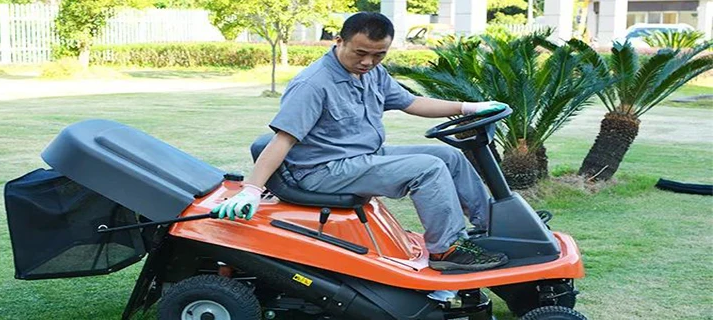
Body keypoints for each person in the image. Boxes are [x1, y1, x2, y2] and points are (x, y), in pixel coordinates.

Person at [212, 11, 509, 273]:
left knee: (449, 157)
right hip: (323, 172)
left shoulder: (372, 73)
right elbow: (283, 139)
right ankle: (446, 251)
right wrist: (251, 189)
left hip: (363, 159)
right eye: (361, 53)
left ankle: (491, 229)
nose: (368, 62)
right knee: (428, 168)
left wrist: (468, 107)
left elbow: (411, 102)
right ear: (340, 40)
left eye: (379, 55)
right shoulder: (313, 84)